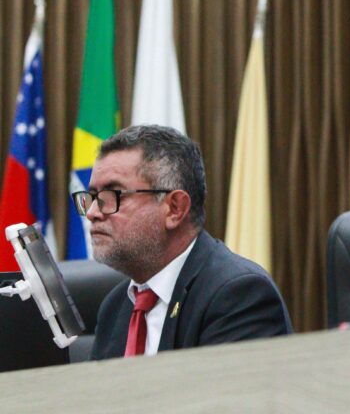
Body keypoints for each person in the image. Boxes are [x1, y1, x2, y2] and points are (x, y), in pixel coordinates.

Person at [73, 125, 292, 359]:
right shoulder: (116, 307)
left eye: (112, 195)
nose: (92, 213)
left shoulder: (237, 296)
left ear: (175, 209)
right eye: (92, 197)